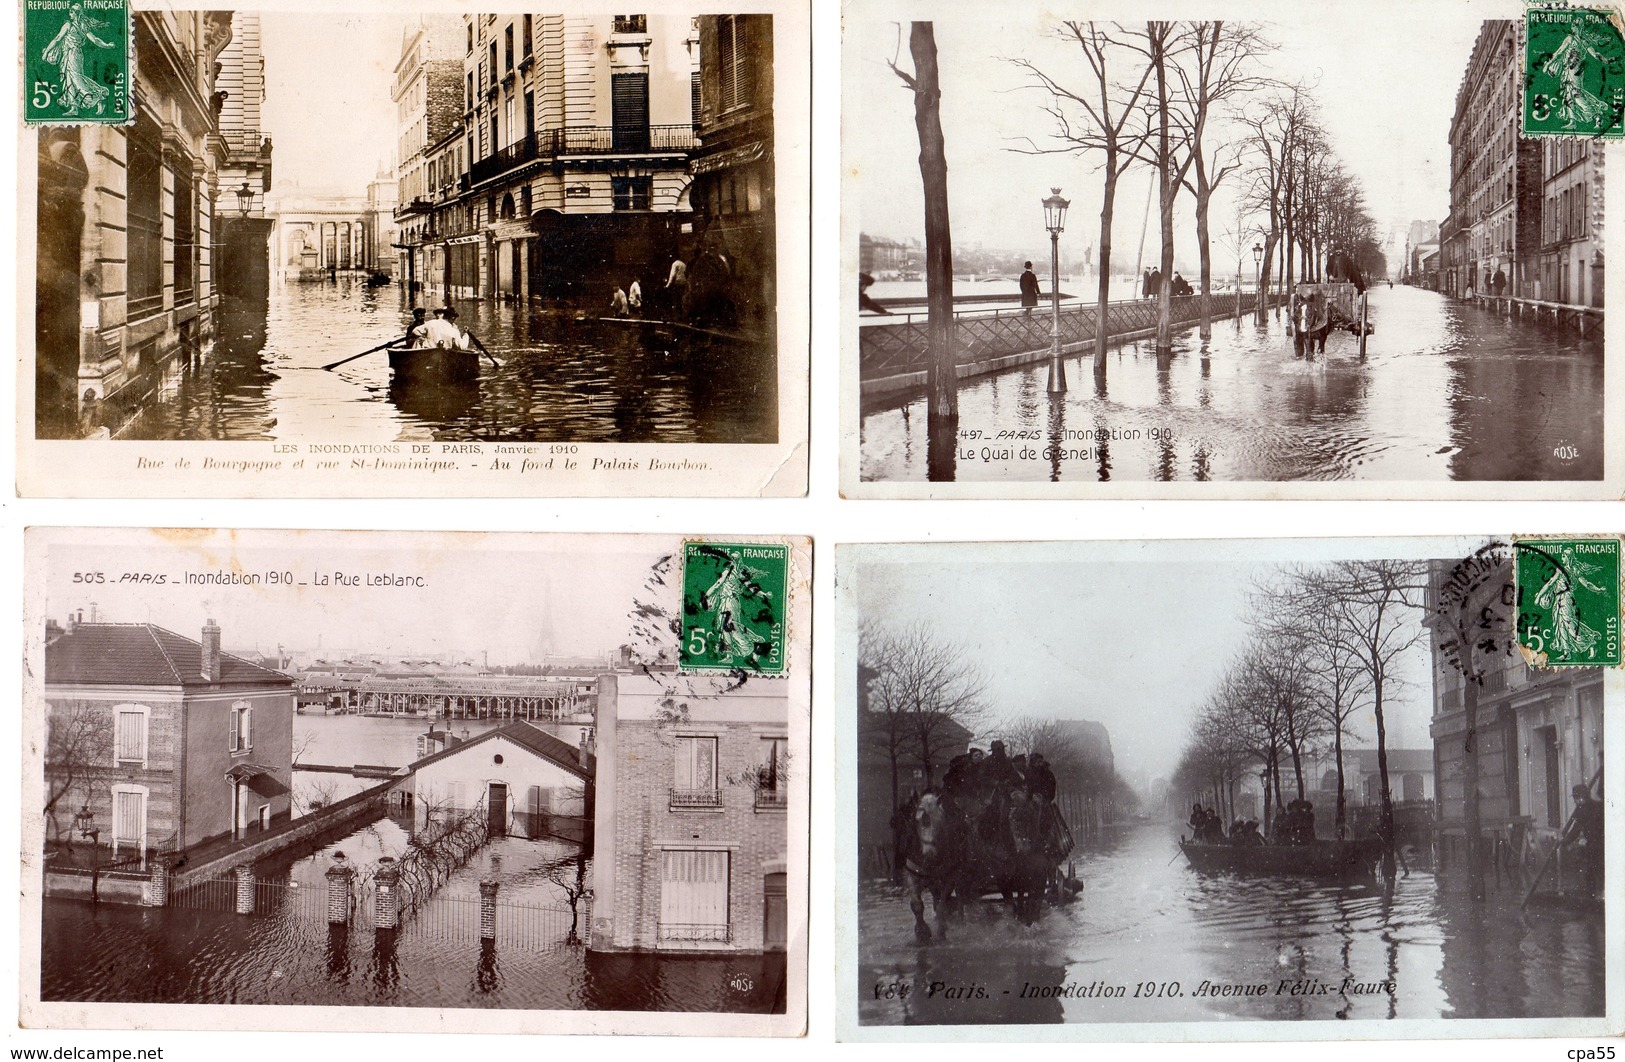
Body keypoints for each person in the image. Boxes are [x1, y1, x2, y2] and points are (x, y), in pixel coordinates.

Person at [1563, 784, 1603, 898]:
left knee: (1592, 871)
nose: (1575, 801)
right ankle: (1598, 895)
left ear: (1581, 797)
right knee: (1598, 870)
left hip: (1595, 844)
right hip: (1601, 843)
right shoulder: (1598, 806)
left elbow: (1576, 830)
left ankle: (1592, 897)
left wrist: (1564, 842)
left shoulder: (1582, 811)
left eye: (1576, 798)